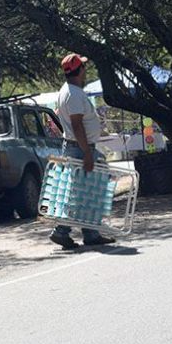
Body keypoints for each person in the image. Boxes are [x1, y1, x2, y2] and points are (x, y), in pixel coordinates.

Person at [49, 54, 115, 250]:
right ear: (79, 71)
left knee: (88, 191)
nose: (85, 71)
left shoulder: (68, 91)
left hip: (78, 147)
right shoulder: (74, 94)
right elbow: (77, 125)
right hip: (80, 148)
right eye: (83, 67)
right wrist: (87, 153)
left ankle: (91, 233)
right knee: (79, 193)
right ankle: (61, 231)